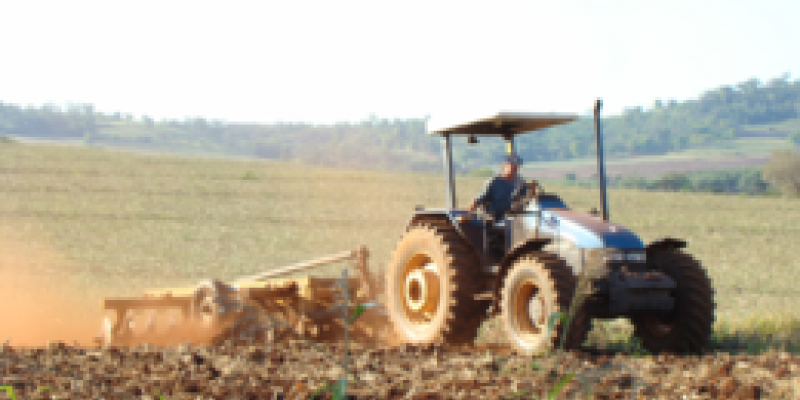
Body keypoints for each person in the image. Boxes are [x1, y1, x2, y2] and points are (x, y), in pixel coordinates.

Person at [461, 154, 536, 222]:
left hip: (513, 218)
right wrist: (467, 214)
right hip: (493, 219)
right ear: (504, 166)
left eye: (516, 167)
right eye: (512, 166)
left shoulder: (520, 182)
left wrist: (532, 188)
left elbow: (528, 199)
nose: (514, 169)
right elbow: (478, 199)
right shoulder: (494, 181)